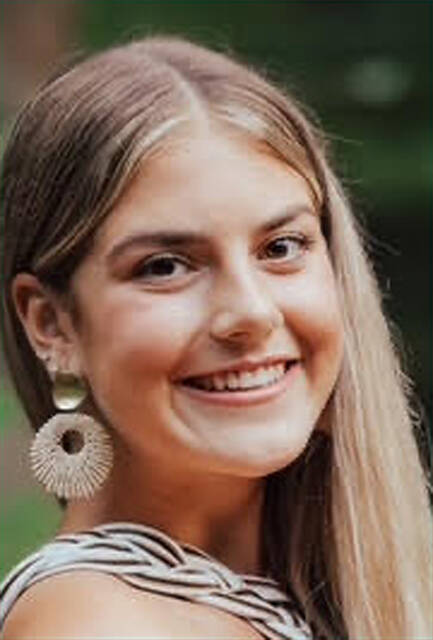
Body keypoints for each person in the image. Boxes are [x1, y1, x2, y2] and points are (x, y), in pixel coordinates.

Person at [0, 36, 431, 640]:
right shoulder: (95, 625)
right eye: (165, 266)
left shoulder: (309, 596)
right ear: (52, 324)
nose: (251, 312)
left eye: (281, 247)